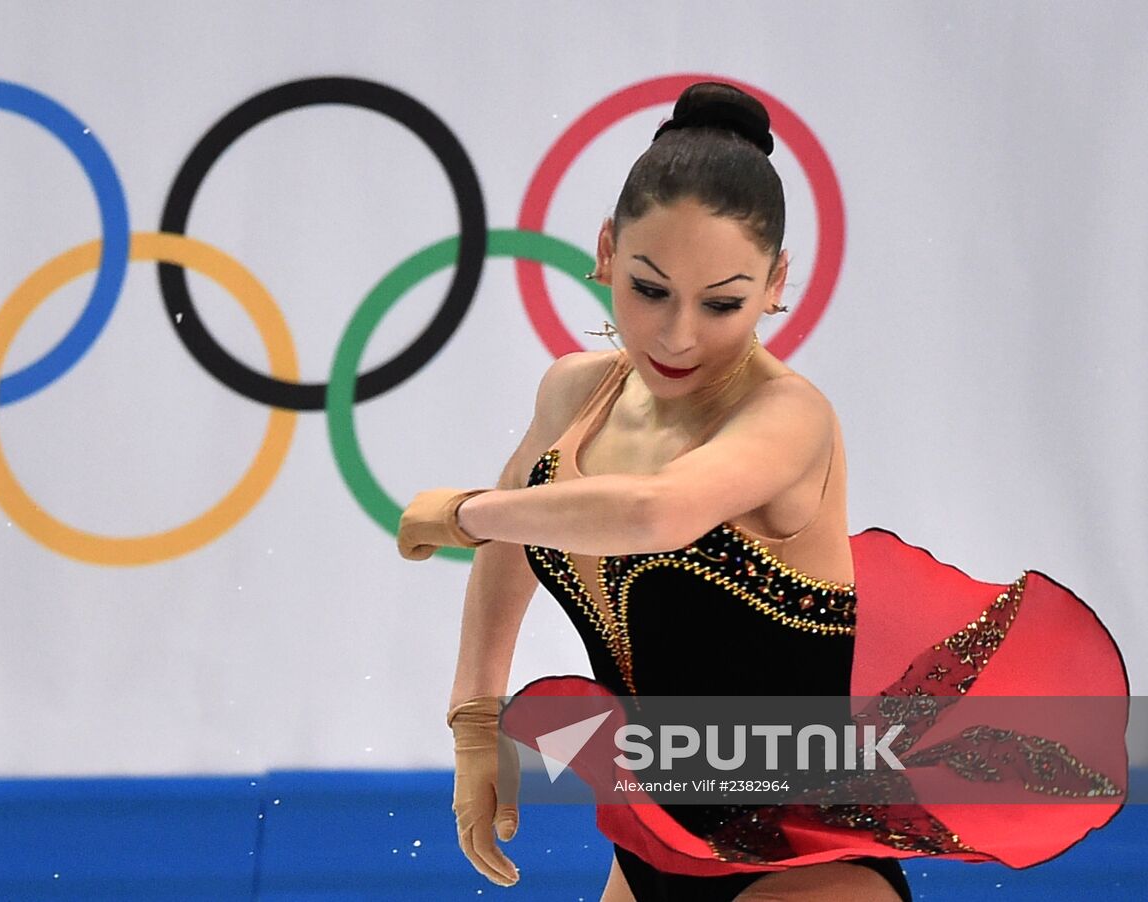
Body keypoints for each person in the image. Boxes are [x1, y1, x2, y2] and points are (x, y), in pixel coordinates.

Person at [396, 82, 1127, 902]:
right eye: (649, 289)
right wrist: (475, 722)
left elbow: (652, 512)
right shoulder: (575, 395)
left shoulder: (788, 419)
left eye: (722, 303)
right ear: (605, 251)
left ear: (776, 282)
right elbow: (511, 554)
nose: (677, 335)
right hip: (655, 851)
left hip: (807, 866)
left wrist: (465, 512)